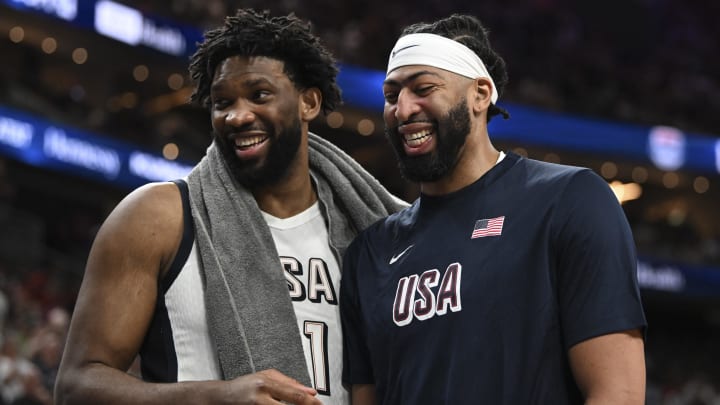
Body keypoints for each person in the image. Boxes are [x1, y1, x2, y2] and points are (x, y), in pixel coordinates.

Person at [54, 9, 405, 405]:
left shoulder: (372, 233)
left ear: (309, 102)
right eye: (223, 103)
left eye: (259, 95)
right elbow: (77, 387)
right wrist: (217, 397)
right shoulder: (158, 216)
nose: (237, 116)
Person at [340, 14, 647, 405]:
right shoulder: (369, 253)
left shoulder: (568, 199)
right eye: (391, 94)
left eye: (423, 88)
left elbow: (617, 392)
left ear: (480, 95)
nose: (402, 109)